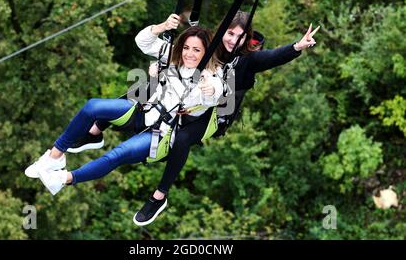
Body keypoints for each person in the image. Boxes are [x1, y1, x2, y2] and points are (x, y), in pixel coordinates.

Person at [132, 11, 320, 225]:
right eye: (230, 33)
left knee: (183, 138)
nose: (233, 40)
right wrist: (162, 64)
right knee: (143, 97)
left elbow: (271, 57)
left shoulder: (248, 59)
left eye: (240, 36)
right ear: (223, 31)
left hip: (215, 114)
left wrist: (297, 46)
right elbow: (184, 54)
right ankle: (100, 129)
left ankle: (159, 196)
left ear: (246, 38)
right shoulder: (211, 45)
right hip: (188, 100)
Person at [24, 20, 224, 200]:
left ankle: (63, 178)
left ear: (206, 52)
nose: (189, 54)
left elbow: (218, 92)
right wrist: (161, 27)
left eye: (196, 50)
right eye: (187, 47)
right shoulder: (173, 56)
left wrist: (210, 88)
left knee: (116, 155)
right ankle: (54, 157)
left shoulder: (210, 75)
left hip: (161, 133)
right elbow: (143, 42)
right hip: (143, 111)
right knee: (93, 106)